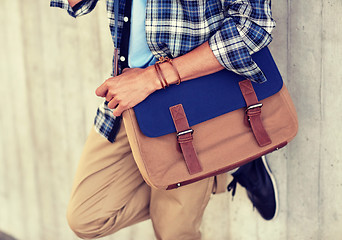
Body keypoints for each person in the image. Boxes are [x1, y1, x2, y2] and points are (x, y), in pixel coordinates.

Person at [50, 0, 278, 239]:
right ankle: (228, 160)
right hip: (130, 95)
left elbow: (254, 25)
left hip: (192, 103)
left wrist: (153, 79)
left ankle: (225, 156)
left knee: (172, 232)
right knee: (87, 218)